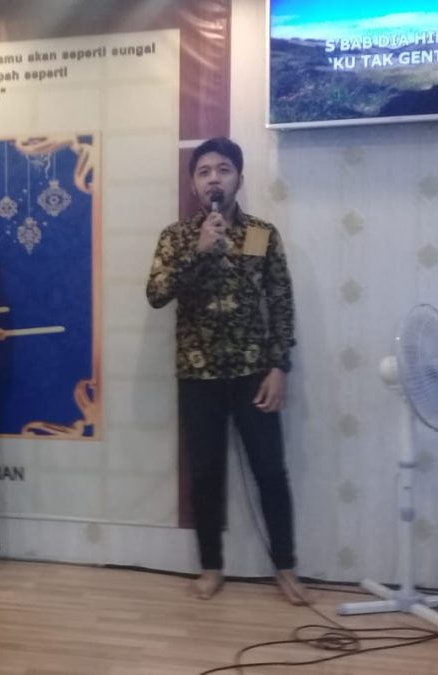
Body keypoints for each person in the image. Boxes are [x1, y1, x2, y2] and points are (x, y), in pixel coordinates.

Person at [145, 138, 308, 605]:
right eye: (203, 171)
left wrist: (279, 367)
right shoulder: (176, 237)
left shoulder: (261, 234)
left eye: (223, 169)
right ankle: (211, 566)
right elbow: (156, 295)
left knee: (271, 472)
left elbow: (280, 304)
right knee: (205, 474)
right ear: (193, 184)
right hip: (198, 376)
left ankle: (286, 566)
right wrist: (199, 251)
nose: (213, 179)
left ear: (239, 178)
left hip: (255, 373)